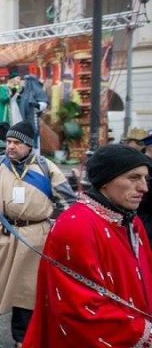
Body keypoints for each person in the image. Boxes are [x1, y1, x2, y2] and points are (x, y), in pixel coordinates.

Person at [0, 121, 76, 347]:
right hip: (2, 232)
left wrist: (61, 232)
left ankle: (22, 337)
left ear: (29, 145)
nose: (10, 146)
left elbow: (68, 203)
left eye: (17, 143)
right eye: (9, 142)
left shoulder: (46, 168)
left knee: (27, 288)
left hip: (34, 235)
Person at [24, 145, 152, 347]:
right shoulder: (75, 226)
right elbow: (79, 308)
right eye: (133, 178)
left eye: (145, 178)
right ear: (105, 182)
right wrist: (143, 333)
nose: (144, 187)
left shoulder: (131, 221)